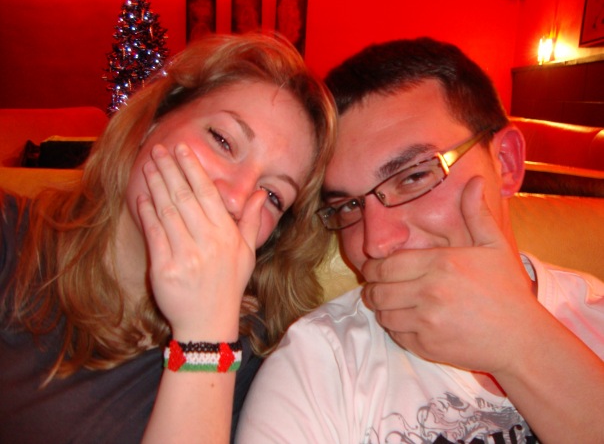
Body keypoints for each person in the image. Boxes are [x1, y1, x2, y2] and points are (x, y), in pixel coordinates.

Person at [236, 37, 604, 443]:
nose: (376, 243)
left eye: (413, 176)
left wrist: (522, 342)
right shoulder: (320, 363)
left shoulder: (596, 314)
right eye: (349, 206)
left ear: (506, 163)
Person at [0, 33, 336, 444]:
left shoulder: (260, 352)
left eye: (272, 195)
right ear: (154, 121)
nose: (235, 199)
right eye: (223, 140)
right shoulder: (10, 235)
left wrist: (206, 329)